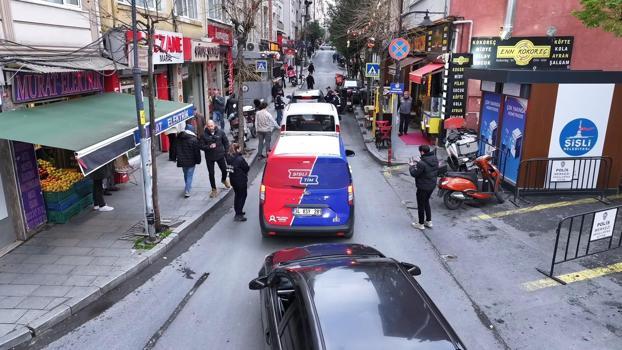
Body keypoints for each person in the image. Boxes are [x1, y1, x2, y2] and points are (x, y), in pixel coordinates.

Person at [409, 145, 439, 230]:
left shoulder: (422, 163)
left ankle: (421, 223)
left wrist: (411, 166)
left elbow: (414, 173)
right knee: (426, 202)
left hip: (423, 187)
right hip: (432, 186)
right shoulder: (435, 159)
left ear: (422, 152)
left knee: (421, 205)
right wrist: (418, 162)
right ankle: (429, 221)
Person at [200, 120, 231, 198]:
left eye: (212, 126)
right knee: (211, 173)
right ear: (206, 126)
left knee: (224, 170)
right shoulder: (203, 135)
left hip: (220, 155)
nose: (211, 128)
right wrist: (209, 147)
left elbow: (226, 142)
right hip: (209, 157)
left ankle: (224, 180)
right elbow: (200, 146)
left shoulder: (220, 132)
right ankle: (214, 189)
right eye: (209, 126)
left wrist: (226, 151)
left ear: (214, 125)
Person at [176, 124, 202, 198]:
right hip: (191, 161)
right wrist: (198, 160)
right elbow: (197, 152)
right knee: (189, 175)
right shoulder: (194, 139)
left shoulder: (179, 138)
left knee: (186, 174)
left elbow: (176, 148)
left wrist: (174, 157)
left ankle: (187, 186)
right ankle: (187, 190)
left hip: (182, 161)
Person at [226, 143, 250, 222]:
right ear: (237, 149)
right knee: (243, 196)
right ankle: (238, 214)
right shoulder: (240, 159)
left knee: (237, 195)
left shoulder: (228, 157)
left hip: (233, 179)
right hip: (240, 180)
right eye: (239, 148)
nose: (240, 149)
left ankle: (238, 211)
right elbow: (246, 167)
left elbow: (228, 169)